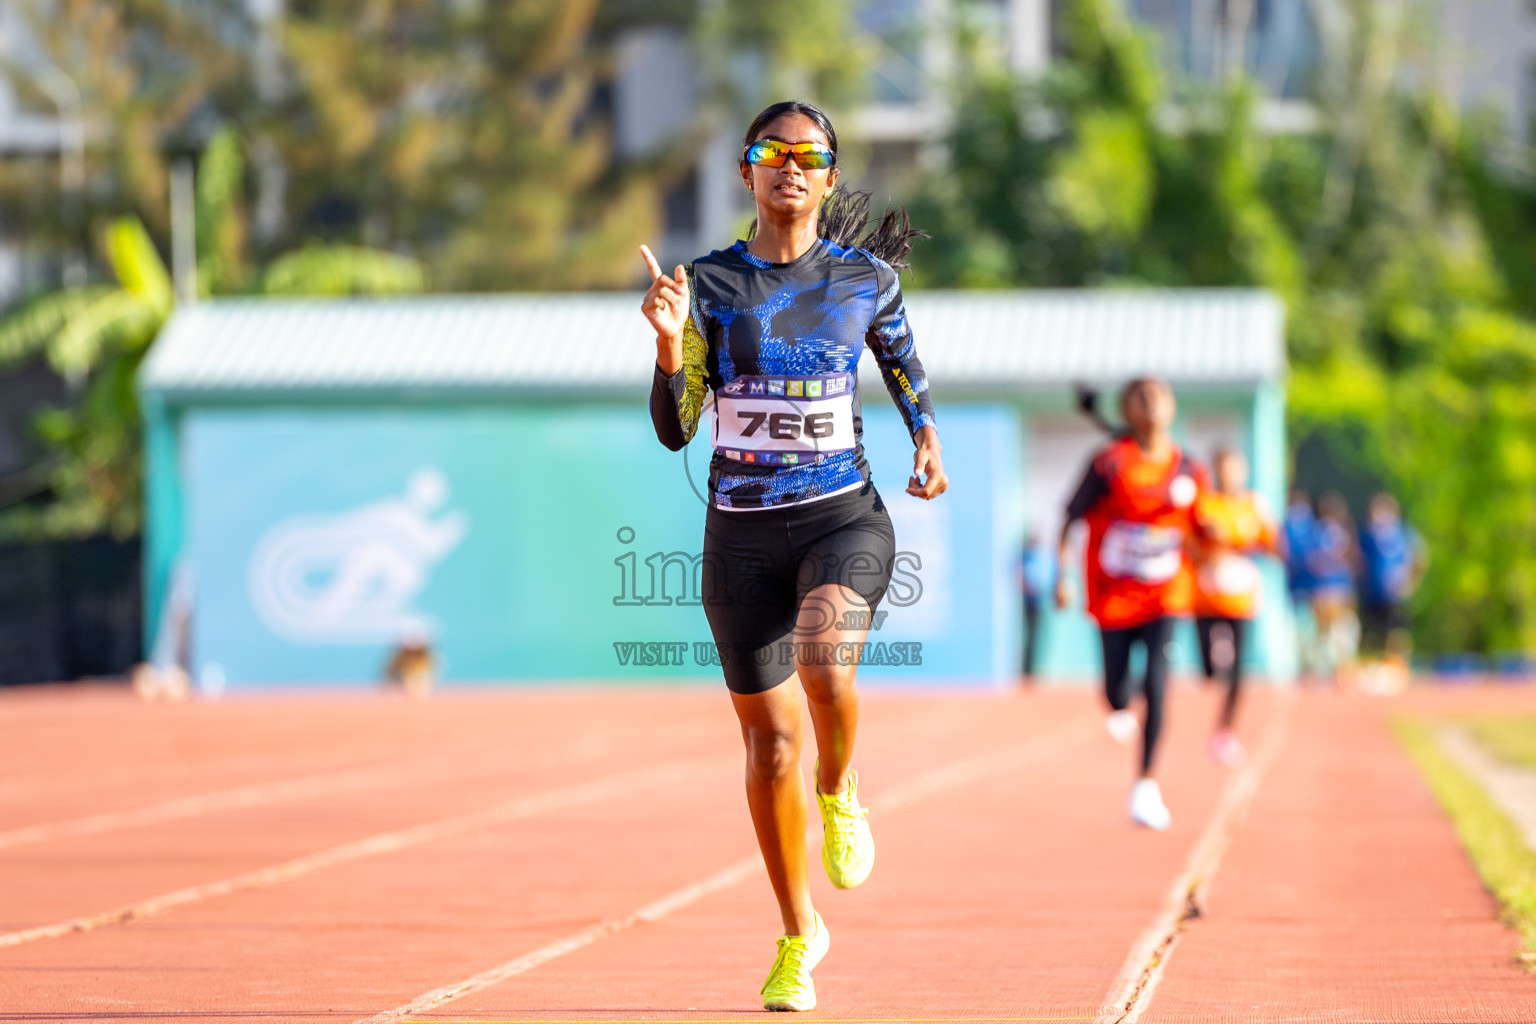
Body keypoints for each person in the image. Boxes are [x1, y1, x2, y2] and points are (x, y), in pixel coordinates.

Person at [641, 100, 947, 1012]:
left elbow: (905, 368)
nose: (790, 166)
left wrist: (927, 440)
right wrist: (667, 347)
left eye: (808, 155)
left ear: (828, 176)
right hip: (739, 537)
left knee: (825, 654)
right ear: (746, 171)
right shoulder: (706, 286)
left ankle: (842, 784)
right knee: (769, 745)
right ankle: (796, 933)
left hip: (841, 519)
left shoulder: (865, 282)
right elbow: (675, 428)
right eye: (771, 152)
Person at [1056, 377, 1204, 831]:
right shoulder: (1108, 464)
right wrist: (1061, 576)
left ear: (1173, 406)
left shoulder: (1189, 470)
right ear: (1128, 409)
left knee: (1159, 683)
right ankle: (1122, 699)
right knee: (1117, 692)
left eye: (1161, 393)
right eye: (1143, 396)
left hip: (1165, 593)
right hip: (1114, 594)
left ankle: (1146, 785)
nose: (1154, 402)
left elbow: (1202, 527)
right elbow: (1070, 518)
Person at [1191, 447, 1279, 766]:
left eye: (1235, 468)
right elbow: (1188, 544)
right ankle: (1216, 658)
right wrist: (1207, 539)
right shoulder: (1204, 504)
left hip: (1241, 596)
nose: (1230, 474)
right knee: (1209, 670)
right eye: (1224, 468)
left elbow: (1274, 547)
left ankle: (1225, 731)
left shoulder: (1253, 506)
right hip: (1206, 594)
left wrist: (1252, 539)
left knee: (1238, 669)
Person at [1357, 491, 1425, 669]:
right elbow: (1358, 559)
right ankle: (1372, 667)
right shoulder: (1369, 535)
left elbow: (1419, 556)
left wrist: (1410, 582)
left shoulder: (1404, 532)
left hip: (1396, 594)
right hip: (1373, 592)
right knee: (1372, 633)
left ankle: (1398, 666)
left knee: (1397, 632)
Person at [1307, 491, 1359, 684]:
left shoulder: (1315, 531)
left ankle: (1326, 670)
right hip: (1336, 588)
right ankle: (1338, 669)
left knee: (1327, 633)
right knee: (1338, 632)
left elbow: (1311, 561)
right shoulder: (1343, 532)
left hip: (1325, 589)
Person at [1281, 490, 1318, 678]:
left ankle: (1307, 665)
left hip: (1306, 585)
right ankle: (1299, 665)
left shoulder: (1309, 526)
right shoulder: (1288, 524)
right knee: (1296, 627)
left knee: (1306, 628)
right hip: (1293, 584)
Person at [1019, 530, 1056, 680]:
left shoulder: (1045, 556)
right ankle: (1027, 669)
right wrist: (1028, 588)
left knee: (1040, 637)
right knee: (1030, 636)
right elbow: (1020, 575)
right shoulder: (1026, 556)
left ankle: (1035, 669)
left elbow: (1052, 577)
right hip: (1029, 603)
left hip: (1043, 603)